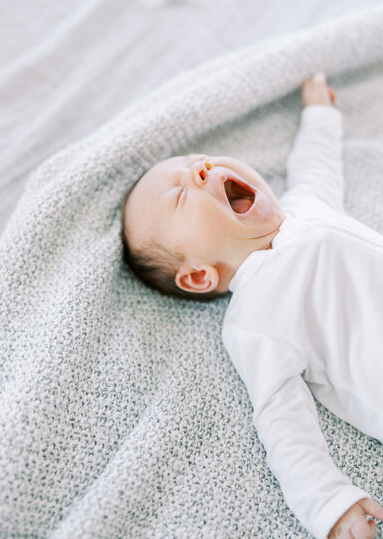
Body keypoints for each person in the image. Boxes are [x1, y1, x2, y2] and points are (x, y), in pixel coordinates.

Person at [121, 72, 383, 539]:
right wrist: (328, 504)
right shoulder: (254, 322)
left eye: (197, 161)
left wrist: (319, 113)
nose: (200, 169)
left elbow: (317, 164)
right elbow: (282, 420)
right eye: (179, 194)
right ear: (200, 275)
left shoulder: (305, 203)